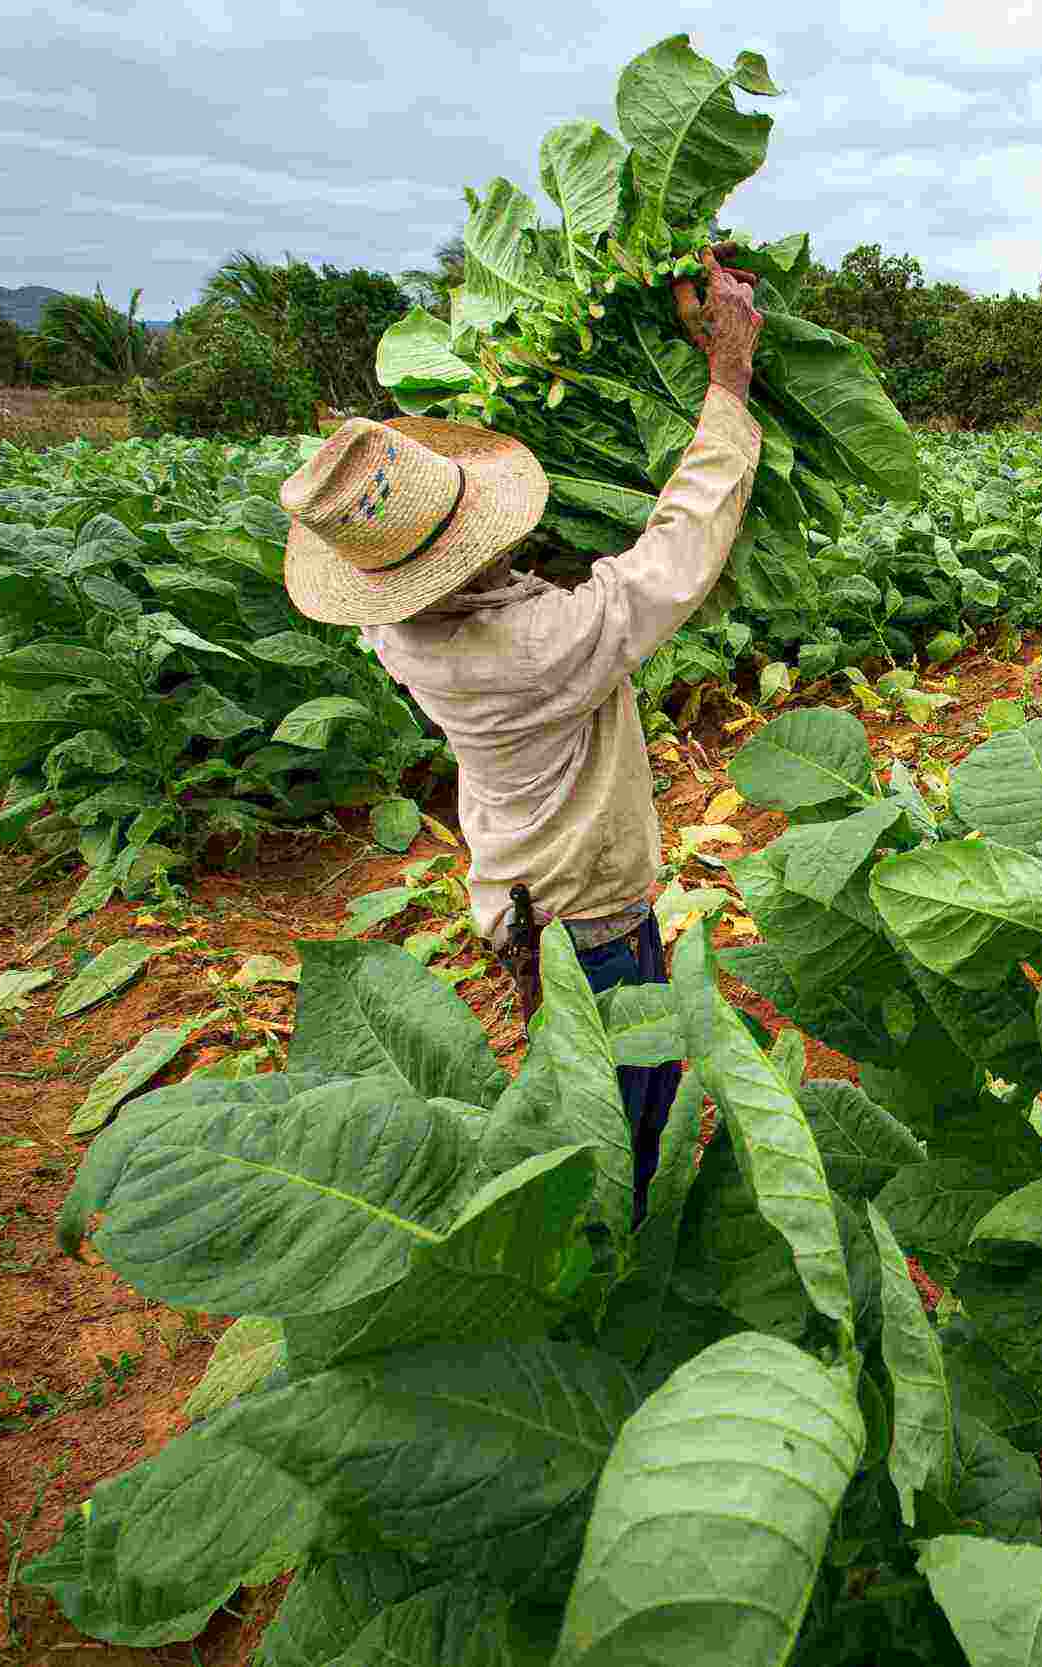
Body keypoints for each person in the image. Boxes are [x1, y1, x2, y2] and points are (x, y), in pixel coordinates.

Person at [276, 249, 765, 1225]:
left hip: (517, 896)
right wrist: (726, 377)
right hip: (585, 920)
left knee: (575, 1087)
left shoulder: (394, 625)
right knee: (625, 1123)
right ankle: (610, 1276)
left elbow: (487, 572)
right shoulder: (528, 648)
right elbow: (675, 552)